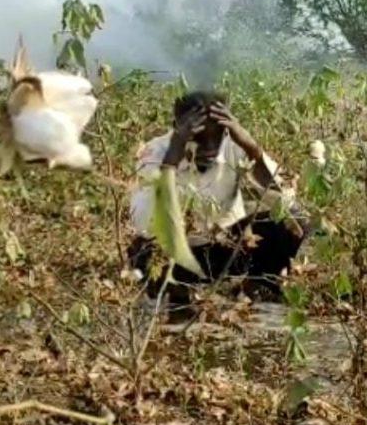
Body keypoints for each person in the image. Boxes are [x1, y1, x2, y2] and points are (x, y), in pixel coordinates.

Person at [127, 91, 307, 316]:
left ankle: (259, 285)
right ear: (178, 127)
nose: (209, 147)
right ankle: (177, 298)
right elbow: (143, 221)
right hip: (176, 253)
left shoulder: (233, 143)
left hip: (226, 248)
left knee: (291, 217)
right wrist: (173, 158)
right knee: (145, 251)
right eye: (199, 136)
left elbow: (284, 195)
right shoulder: (156, 151)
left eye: (218, 135)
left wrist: (253, 150)